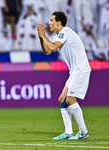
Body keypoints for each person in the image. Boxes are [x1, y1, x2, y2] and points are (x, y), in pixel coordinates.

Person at [37, 11, 91, 140]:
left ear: (58, 23)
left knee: (70, 100)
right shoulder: (59, 36)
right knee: (62, 100)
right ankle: (68, 132)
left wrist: (44, 36)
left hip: (80, 70)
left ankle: (83, 131)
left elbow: (53, 48)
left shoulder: (65, 32)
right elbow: (47, 51)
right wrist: (41, 37)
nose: (49, 23)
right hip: (74, 71)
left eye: (51, 20)